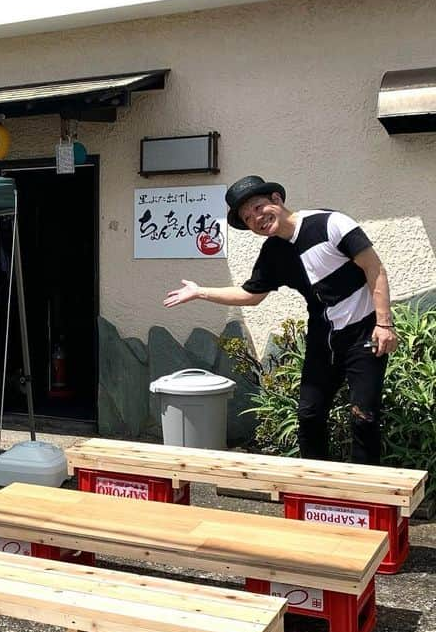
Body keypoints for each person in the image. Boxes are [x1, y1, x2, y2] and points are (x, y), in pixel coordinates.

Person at [163, 175, 398, 464]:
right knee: (309, 413)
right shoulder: (274, 252)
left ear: (276, 199)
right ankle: (314, 486)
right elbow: (251, 294)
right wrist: (200, 292)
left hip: (364, 331)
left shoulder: (330, 224)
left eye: (259, 208)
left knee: (364, 415)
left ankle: (367, 493)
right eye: (248, 218)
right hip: (323, 337)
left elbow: (374, 268)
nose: (256, 219)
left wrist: (384, 323)